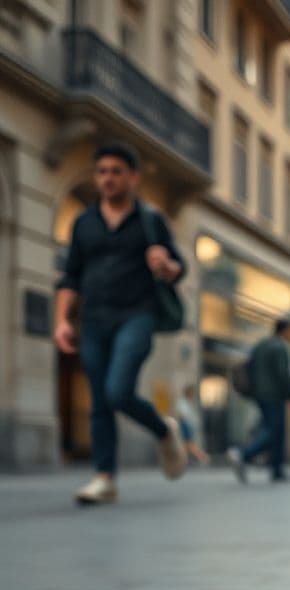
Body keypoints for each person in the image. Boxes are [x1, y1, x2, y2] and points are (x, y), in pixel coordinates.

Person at [52, 141, 188, 505]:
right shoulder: (84, 223)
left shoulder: (151, 220)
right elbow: (70, 276)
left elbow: (179, 269)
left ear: (133, 177)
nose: (107, 178)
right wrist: (62, 320)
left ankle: (163, 430)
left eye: (116, 171)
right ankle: (104, 478)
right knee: (99, 400)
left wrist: (165, 265)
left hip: (137, 315)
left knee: (117, 391)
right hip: (94, 320)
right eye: (101, 172)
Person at [227, 319, 290, 483]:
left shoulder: (260, 345)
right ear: (285, 330)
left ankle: (277, 470)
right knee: (274, 430)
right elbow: (282, 374)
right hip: (275, 395)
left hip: (260, 394)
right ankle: (243, 454)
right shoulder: (280, 347)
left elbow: (250, 368)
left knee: (275, 430)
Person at [176, 383, 209, 465]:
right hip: (186, 426)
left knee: (187, 444)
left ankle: (189, 458)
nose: (193, 395)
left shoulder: (187, 403)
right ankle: (201, 456)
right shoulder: (183, 403)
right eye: (192, 393)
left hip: (188, 426)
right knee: (188, 444)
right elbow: (183, 415)